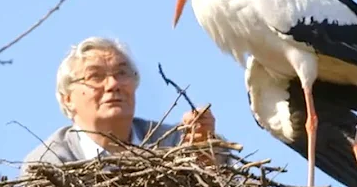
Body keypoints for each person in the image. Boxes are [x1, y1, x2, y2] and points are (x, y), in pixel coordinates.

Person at [20, 36, 220, 174]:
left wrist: (204, 152)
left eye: (122, 73)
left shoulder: (175, 142)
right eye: (95, 76)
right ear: (67, 99)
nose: (113, 84)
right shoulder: (49, 163)